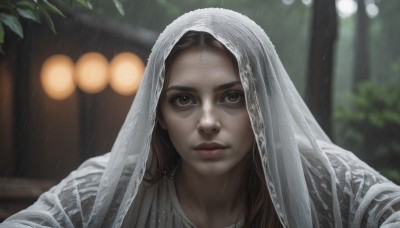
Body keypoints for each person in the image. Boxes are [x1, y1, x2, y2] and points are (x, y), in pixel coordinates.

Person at [1, 8, 400, 228]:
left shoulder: (315, 174)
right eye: (184, 100)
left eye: (232, 97)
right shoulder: (115, 185)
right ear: (158, 113)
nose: (208, 121)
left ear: (261, 106)